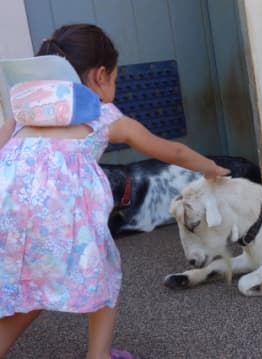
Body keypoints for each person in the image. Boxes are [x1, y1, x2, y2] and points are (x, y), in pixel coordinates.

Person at [0, 23, 230, 359]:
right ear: (101, 76)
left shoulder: (21, 113)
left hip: (9, 213)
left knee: (29, 290)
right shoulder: (103, 115)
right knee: (105, 279)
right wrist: (210, 167)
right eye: (116, 79)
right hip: (59, 218)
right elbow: (172, 152)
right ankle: (99, 355)